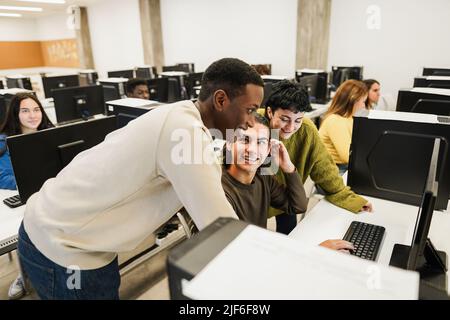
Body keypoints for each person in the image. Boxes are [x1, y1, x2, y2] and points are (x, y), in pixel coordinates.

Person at [17, 58, 265, 300]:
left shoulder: (180, 114)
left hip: (72, 235)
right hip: (64, 248)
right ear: (221, 99)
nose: (251, 121)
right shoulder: (185, 135)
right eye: (250, 110)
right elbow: (222, 229)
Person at [221, 114, 354, 252]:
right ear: (230, 144)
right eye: (245, 140)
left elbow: (298, 206)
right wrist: (315, 253)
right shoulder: (220, 190)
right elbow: (240, 253)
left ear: (268, 150)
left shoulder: (263, 177)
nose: (252, 149)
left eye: (260, 142)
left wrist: (288, 167)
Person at [261, 80, 372, 234]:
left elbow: (323, 166)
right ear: (269, 112)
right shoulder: (253, 124)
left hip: (288, 193)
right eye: (284, 119)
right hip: (256, 197)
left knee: (290, 233)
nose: (291, 127)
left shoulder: (306, 129)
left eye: (297, 120)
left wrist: (348, 197)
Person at [0, 92, 54, 299]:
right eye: (25, 111)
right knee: (31, 227)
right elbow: (2, 177)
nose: (32, 115)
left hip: (51, 195)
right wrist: (32, 181)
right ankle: (25, 275)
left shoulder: (50, 133)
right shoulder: (4, 142)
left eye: (36, 109)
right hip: (24, 200)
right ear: (15, 114)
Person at [319, 79, 368, 173]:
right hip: (335, 170)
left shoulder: (349, 118)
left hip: (343, 167)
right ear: (353, 101)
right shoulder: (336, 121)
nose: (364, 106)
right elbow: (348, 157)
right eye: (363, 102)